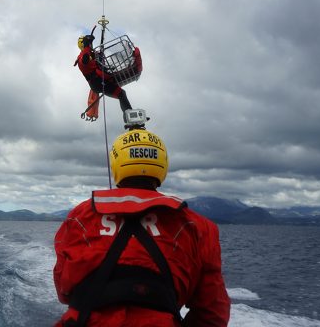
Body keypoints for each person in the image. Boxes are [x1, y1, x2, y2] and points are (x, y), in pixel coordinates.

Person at [53, 128, 230, 326]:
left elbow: (64, 291)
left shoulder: (80, 216)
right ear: (162, 165)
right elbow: (212, 312)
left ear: (116, 163)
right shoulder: (198, 227)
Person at [74, 34, 132, 115]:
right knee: (121, 93)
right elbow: (85, 60)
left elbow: (98, 61)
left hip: (102, 80)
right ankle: (129, 116)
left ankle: (129, 116)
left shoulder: (92, 54)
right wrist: (87, 45)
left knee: (121, 93)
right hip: (97, 83)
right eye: (89, 43)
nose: (91, 45)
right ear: (84, 45)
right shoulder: (82, 58)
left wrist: (100, 55)